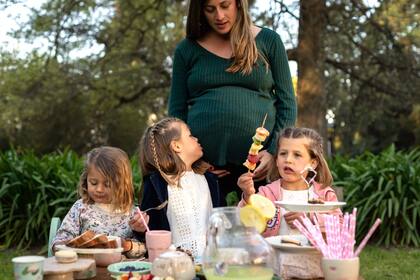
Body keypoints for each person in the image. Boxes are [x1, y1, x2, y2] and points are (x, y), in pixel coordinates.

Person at [168, 0, 297, 204]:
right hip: (204, 168)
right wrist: (191, 160)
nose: (219, 16)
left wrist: (273, 152)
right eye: (210, 9)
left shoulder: (269, 41)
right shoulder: (187, 49)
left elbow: (287, 104)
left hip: (260, 167)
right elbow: (176, 112)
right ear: (200, 11)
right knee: (206, 231)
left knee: (261, 228)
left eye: (225, 5)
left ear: (238, 4)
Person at [237, 127, 342, 279]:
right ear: (276, 160)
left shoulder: (324, 195)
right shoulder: (267, 194)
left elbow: (338, 228)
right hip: (276, 272)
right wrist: (248, 197)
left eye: (297, 155)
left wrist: (310, 218)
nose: (288, 159)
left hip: (316, 272)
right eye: (283, 154)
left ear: (313, 163)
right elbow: (246, 226)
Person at [138, 117, 222, 259]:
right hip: (175, 264)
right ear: (177, 146)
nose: (195, 138)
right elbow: (150, 229)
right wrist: (139, 229)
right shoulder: (157, 184)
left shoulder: (209, 179)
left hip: (212, 263)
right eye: (190, 135)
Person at [52, 146, 146, 258]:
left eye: (107, 185)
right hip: (86, 268)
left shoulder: (133, 214)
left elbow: (142, 251)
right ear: (86, 179)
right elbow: (59, 242)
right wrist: (65, 246)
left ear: (122, 184)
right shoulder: (81, 207)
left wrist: (130, 242)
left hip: (120, 272)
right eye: (93, 183)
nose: (99, 189)